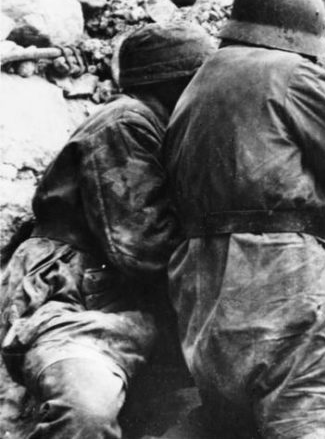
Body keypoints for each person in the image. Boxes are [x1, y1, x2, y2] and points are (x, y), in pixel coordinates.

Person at [165, 0, 325, 439]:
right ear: (300, 38)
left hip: (205, 298)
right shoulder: (291, 73)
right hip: (282, 284)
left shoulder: (201, 80)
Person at [0, 22, 215, 439]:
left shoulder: (164, 129)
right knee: (87, 409)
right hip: (73, 301)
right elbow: (142, 246)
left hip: (131, 308)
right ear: (178, 85)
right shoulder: (124, 122)